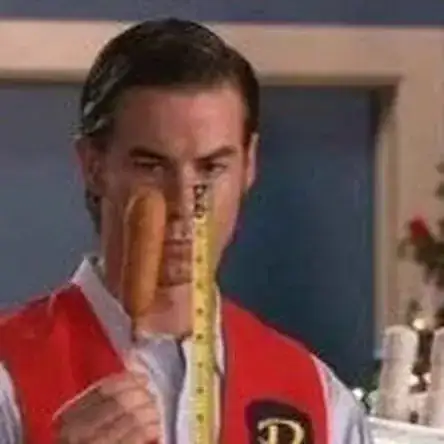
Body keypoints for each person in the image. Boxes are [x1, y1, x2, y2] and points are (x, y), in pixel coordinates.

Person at [0, 18, 374, 444]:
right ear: (93, 166)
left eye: (211, 167)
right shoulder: (8, 374)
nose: (182, 203)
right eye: (150, 165)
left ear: (249, 164)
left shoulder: (320, 401)